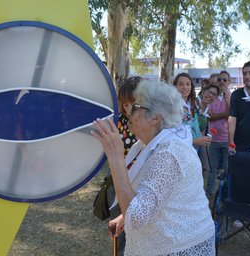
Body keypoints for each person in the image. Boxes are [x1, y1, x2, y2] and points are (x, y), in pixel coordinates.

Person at [92, 80, 215, 255]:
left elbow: (135, 218)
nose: (128, 112)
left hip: (180, 246)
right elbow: (156, 198)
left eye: (135, 106)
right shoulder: (164, 143)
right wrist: (124, 216)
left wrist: (116, 158)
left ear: (156, 117)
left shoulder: (169, 153)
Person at [107, 76, 141, 256]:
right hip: (121, 183)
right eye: (126, 104)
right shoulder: (117, 122)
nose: (130, 109)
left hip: (142, 186)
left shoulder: (152, 124)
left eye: (134, 103)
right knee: (120, 235)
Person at [206, 71, 231, 201]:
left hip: (228, 140)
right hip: (213, 140)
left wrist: (227, 99)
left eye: (224, 80)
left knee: (227, 170)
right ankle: (208, 196)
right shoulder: (212, 97)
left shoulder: (231, 96)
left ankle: (226, 196)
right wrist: (224, 114)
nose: (221, 82)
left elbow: (232, 114)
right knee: (212, 170)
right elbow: (209, 116)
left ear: (229, 82)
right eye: (219, 80)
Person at [173, 73, 212, 149]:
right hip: (183, 150)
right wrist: (194, 141)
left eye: (188, 84)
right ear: (175, 87)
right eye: (181, 84)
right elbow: (172, 134)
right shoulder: (173, 107)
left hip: (197, 149)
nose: (185, 87)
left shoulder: (192, 104)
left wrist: (203, 139)